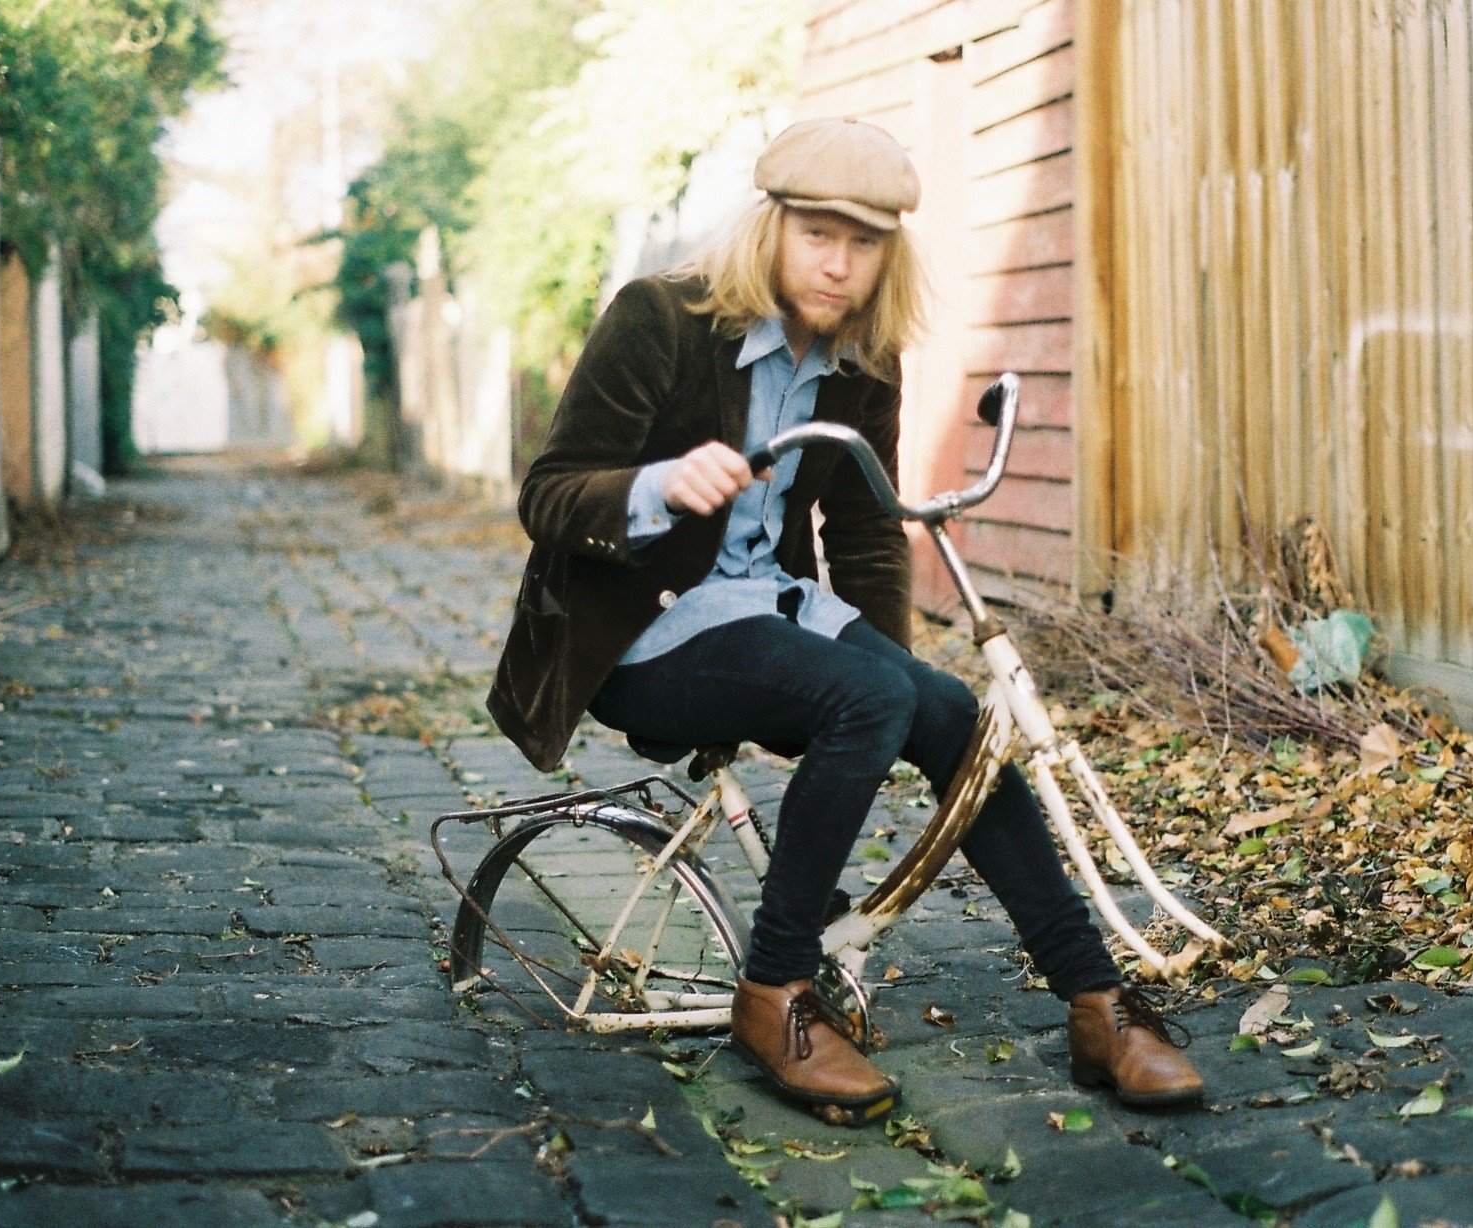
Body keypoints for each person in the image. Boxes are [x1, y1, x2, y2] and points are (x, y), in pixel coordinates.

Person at [487, 116, 1202, 1122]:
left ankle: (1094, 999)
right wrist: (657, 483)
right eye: (818, 234)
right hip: (642, 631)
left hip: (769, 610)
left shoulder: (865, 357)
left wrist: (895, 696)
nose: (839, 263)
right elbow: (549, 494)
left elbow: (866, 528)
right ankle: (775, 990)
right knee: (869, 694)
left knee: (952, 713)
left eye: (863, 243)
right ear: (771, 228)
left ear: (888, 253)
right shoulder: (661, 319)